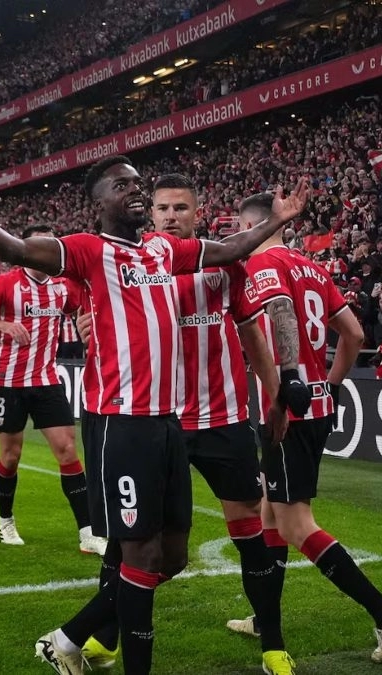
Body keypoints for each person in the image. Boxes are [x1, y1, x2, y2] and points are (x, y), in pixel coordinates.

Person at [0, 153, 308, 675]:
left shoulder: (163, 251)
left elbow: (231, 248)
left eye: (138, 183)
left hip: (168, 422)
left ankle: (67, 639)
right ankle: (104, 650)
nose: (136, 191)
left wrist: (277, 219)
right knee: (137, 555)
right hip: (122, 424)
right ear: (97, 203)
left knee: (173, 557)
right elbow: (12, 247)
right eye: (122, 186)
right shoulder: (87, 251)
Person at [78, 173, 287, 673]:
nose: (171, 216)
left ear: (198, 213)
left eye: (181, 208)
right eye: (163, 208)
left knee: (249, 530)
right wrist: (82, 324)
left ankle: (273, 644)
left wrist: (276, 395)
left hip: (223, 417)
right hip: (156, 421)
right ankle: (105, 639)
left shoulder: (223, 263)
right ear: (149, 213)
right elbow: (93, 321)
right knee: (129, 541)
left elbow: (251, 332)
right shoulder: (128, 263)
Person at [226, 193, 382, 668]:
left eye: (239, 227)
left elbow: (279, 320)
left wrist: (289, 389)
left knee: (294, 523)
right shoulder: (312, 268)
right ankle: (265, 618)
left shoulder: (262, 264)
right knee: (270, 514)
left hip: (285, 411)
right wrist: (329, 385)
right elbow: (354, 334)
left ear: (251, 227)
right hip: (315, 405)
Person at [0, 224, 106, 554]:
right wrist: (2, 324)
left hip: (46, 380)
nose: (44, 252)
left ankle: (88, 533)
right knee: (10, 457)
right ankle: (6, 521)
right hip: (9, 383)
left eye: (49, 246)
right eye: (38, 246)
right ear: (26, 249)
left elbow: (84, 305)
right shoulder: (5, 283)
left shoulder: (62, 286)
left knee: (67, 451)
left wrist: (85, 323)